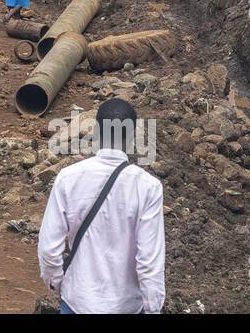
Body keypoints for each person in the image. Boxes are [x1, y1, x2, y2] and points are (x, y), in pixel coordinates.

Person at [37, 98, 165, 314]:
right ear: (132, 135)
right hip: (127, 306)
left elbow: (49, 247)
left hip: (77, 302)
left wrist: (56, 282)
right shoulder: (148, 188)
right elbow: (149, 261)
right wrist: (153, 308)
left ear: (96, 131)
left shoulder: (68, 178)